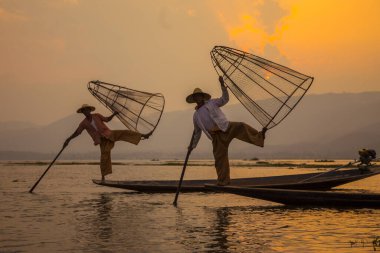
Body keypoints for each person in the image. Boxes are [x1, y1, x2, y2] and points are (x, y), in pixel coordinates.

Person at [187, 77, 267, 186]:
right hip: (216, 137)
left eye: (199, 96)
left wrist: (222, 85)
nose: (198, 98)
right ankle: (223, 181)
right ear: (195, 99)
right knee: (220, 160)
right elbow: (197, 133)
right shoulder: (196, 116)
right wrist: (192, 146)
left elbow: (225, 99)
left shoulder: (212, 103)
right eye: (196, 97)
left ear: (202, 96)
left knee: (241, 126)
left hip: (226, 127)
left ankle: (259, 136)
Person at [64, 104, 151, 181]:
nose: (85, 112)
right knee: (104, 156)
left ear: (89, 110)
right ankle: (103, 177)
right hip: (101, 140)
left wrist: (114, 114)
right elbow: (77, 132)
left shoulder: (97, 115)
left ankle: (143, 135)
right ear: (82, 112)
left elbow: (107, 119)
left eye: (86, 110)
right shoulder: (83, 123)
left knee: (124, 133)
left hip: (109, 134)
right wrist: (69, 139)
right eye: (83, 111)